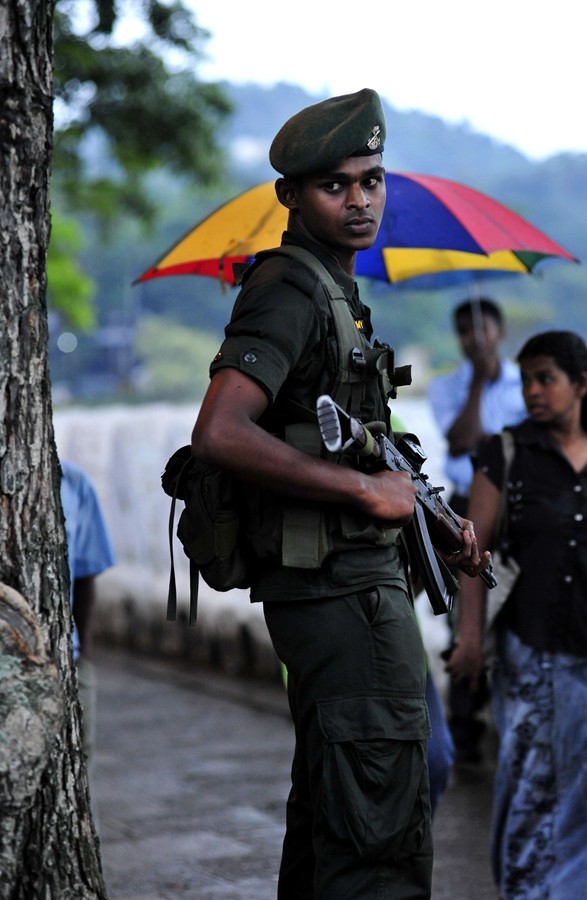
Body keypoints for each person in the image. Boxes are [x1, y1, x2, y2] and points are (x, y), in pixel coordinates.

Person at [191, 88, 489, 899]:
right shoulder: (290, 289)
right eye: (334, 185)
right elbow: (220, 430)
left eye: (371, 180)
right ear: (290, 196)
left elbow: (354, 443)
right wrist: (362, 494)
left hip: (354, 582)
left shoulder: (335, 292)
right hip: (334, 590)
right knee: (380, 813)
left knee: (340, 802)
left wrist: (426, 512)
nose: (359, 201)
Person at [446, 330, 587, 899]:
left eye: (546, 379)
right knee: (532, 787)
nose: (533, 390)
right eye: (527, 379)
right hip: (532, 652)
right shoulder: (504, 454)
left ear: (580, 384)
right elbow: (473, 555)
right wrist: (469, 641)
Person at [428, 297, 526, 762]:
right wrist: (476, 387)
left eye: (483, 329)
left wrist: (492, 442)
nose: (475, 338)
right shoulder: (447, 386)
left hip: (519, 507)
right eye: (465, 331)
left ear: (500, 332)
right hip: (465, 504)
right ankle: (465, 729)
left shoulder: (526, 382)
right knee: (464, 608)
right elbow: (458, 441)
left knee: (513, 604)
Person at [60, 458, 116, 782]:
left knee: (79, 765)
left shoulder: (74, 483)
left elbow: (85, 576)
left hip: (69, 658)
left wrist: (85, 661)